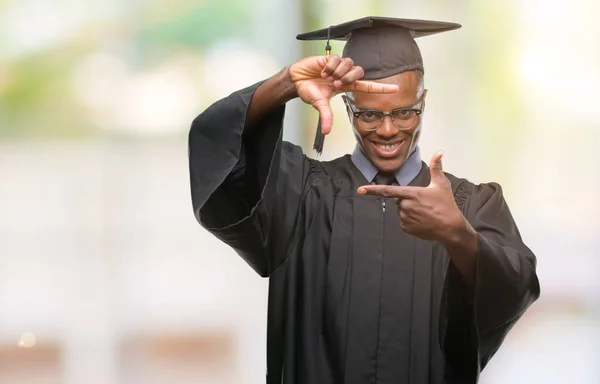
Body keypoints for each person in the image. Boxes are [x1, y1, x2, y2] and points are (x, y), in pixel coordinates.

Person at [188, 16, 540, 384]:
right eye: (369, 114)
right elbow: (219, 158)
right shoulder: (300, 196)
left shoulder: (469, 206)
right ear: (347, 108)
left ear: (424, 100)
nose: (388, 130)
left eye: (405, 111)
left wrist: (459, 235)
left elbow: (517, 289)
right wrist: (284, 85)